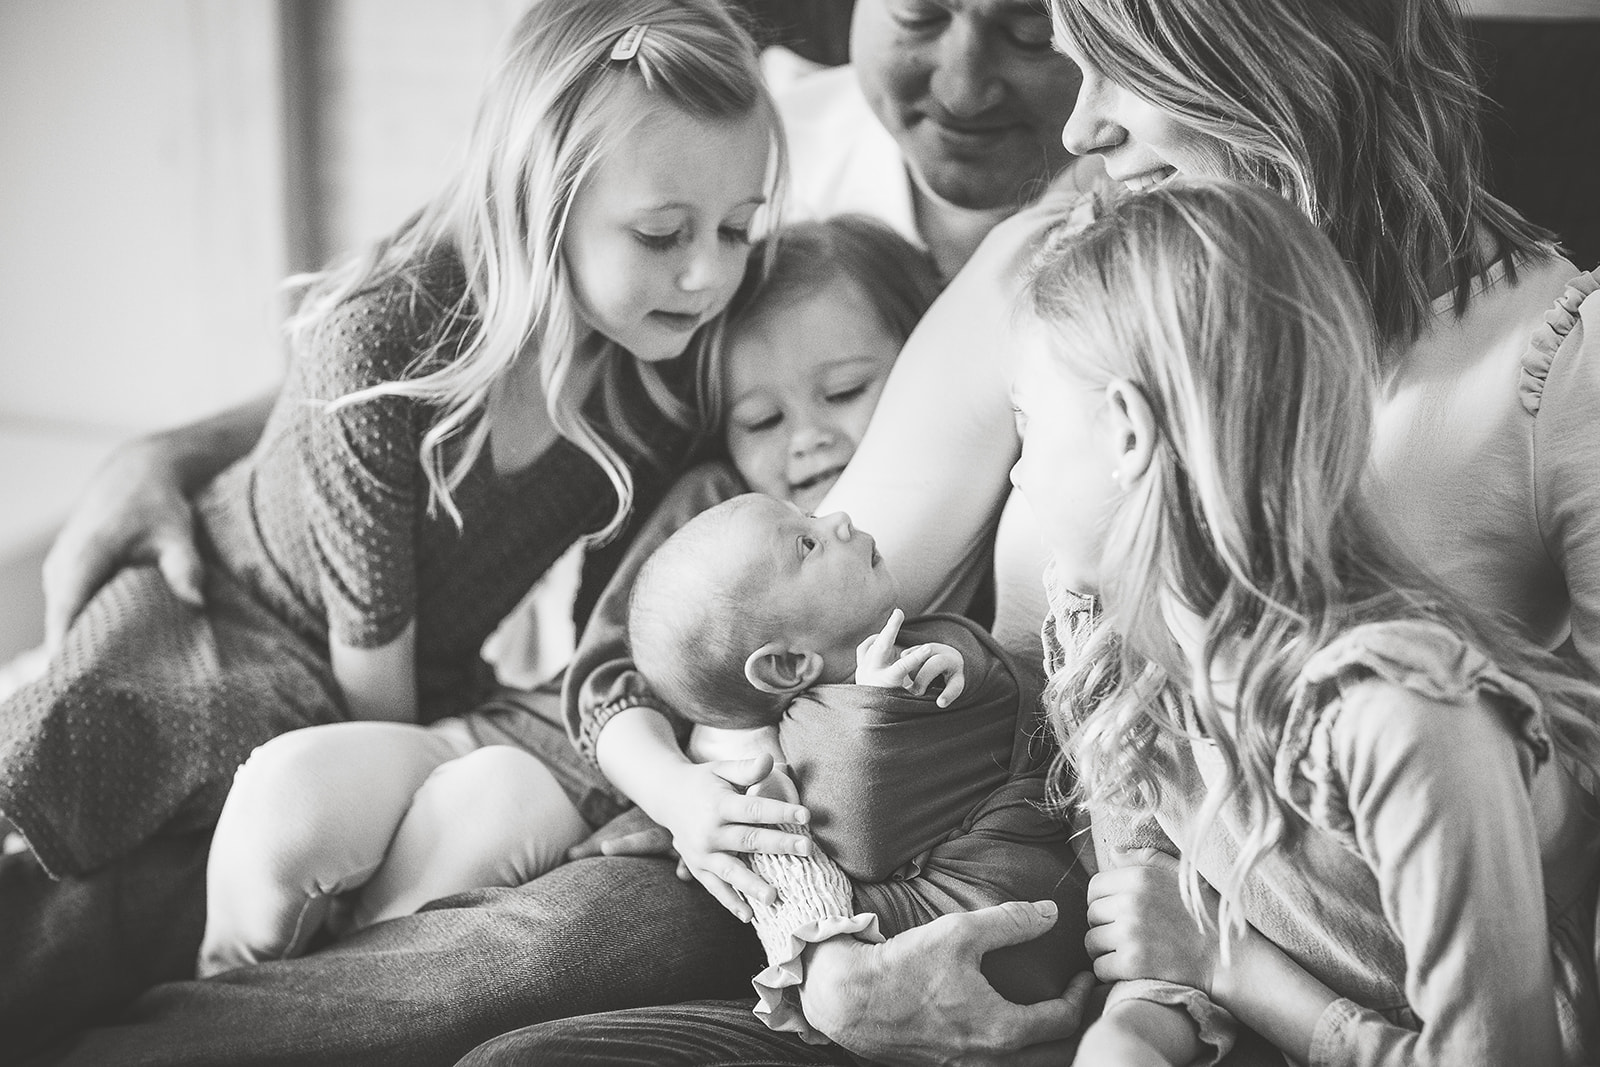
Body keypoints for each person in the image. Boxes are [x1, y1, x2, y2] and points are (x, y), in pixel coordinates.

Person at [460, 0, 1600, 1061]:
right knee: (548, 985)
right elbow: (741, 618)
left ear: (1257, 52)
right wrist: (798, 929)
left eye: (1117, 64)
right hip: (918, 898)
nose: (1078, 121)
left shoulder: (1558, 373)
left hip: (1206, 961)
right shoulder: (1067, 257)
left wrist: (1206, 979)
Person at [11, 2, 1106, 1063]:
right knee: (136, 823)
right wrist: (165, 450)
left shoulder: (1042, 241)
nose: (713, 272)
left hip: (702, 794)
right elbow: (371, 382)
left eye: (1026, 28)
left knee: (550, 927)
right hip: (524, 714)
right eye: (919, 15)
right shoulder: (745, 139)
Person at [4, 0, 783, 1052]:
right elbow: (367, 685)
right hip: (219, 624)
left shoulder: (653, 378)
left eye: (738, 228)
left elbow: (615, 633)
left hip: (407, 674)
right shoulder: (382, 346)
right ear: (539, 203)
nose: (711, 272)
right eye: (663, 233)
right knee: (79, 875)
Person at [191, 213, 946, 981]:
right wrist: (674, 793)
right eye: (762, 418)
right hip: (524, 729)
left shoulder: (917, 557)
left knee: (496, 799)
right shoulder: (719, 507)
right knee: (290, 786)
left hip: (546, 802)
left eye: (845, 390)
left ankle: (303, 991)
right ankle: (217, 980)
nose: (806, 437)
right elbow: (605, 666)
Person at [1013, 180, 1600, 1065]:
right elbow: (1154, 926)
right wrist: (1133, 1031)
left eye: (1028, 428)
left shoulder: (1402, 715)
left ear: (1127, 433)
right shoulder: (1105, 640)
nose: (1015, 476)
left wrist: (1235, 968)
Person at [627, 493, 1076, 1035]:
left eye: (811, 515)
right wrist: (879, 714)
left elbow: (1004, 705)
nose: (838, 519)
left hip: (1031, 893)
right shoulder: (821, 731)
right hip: (968, 926)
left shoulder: (904, 643)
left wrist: (951, 666)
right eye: (807, 543)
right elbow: (858, 846)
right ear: (788, 664)